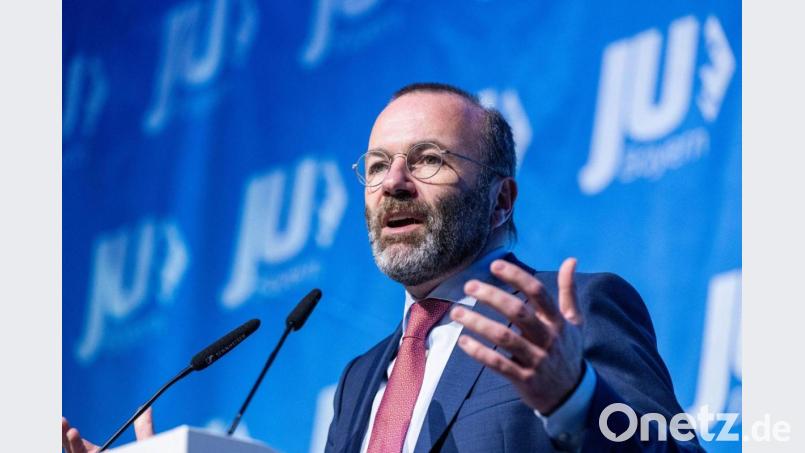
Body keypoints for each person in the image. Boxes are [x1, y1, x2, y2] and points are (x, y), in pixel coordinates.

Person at [63, 82, 700, 452]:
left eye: (427, 160)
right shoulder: (361, 378)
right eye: (375, 166)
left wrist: (574, 398)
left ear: (501, 199)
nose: (392, 183)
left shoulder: (573, 311)